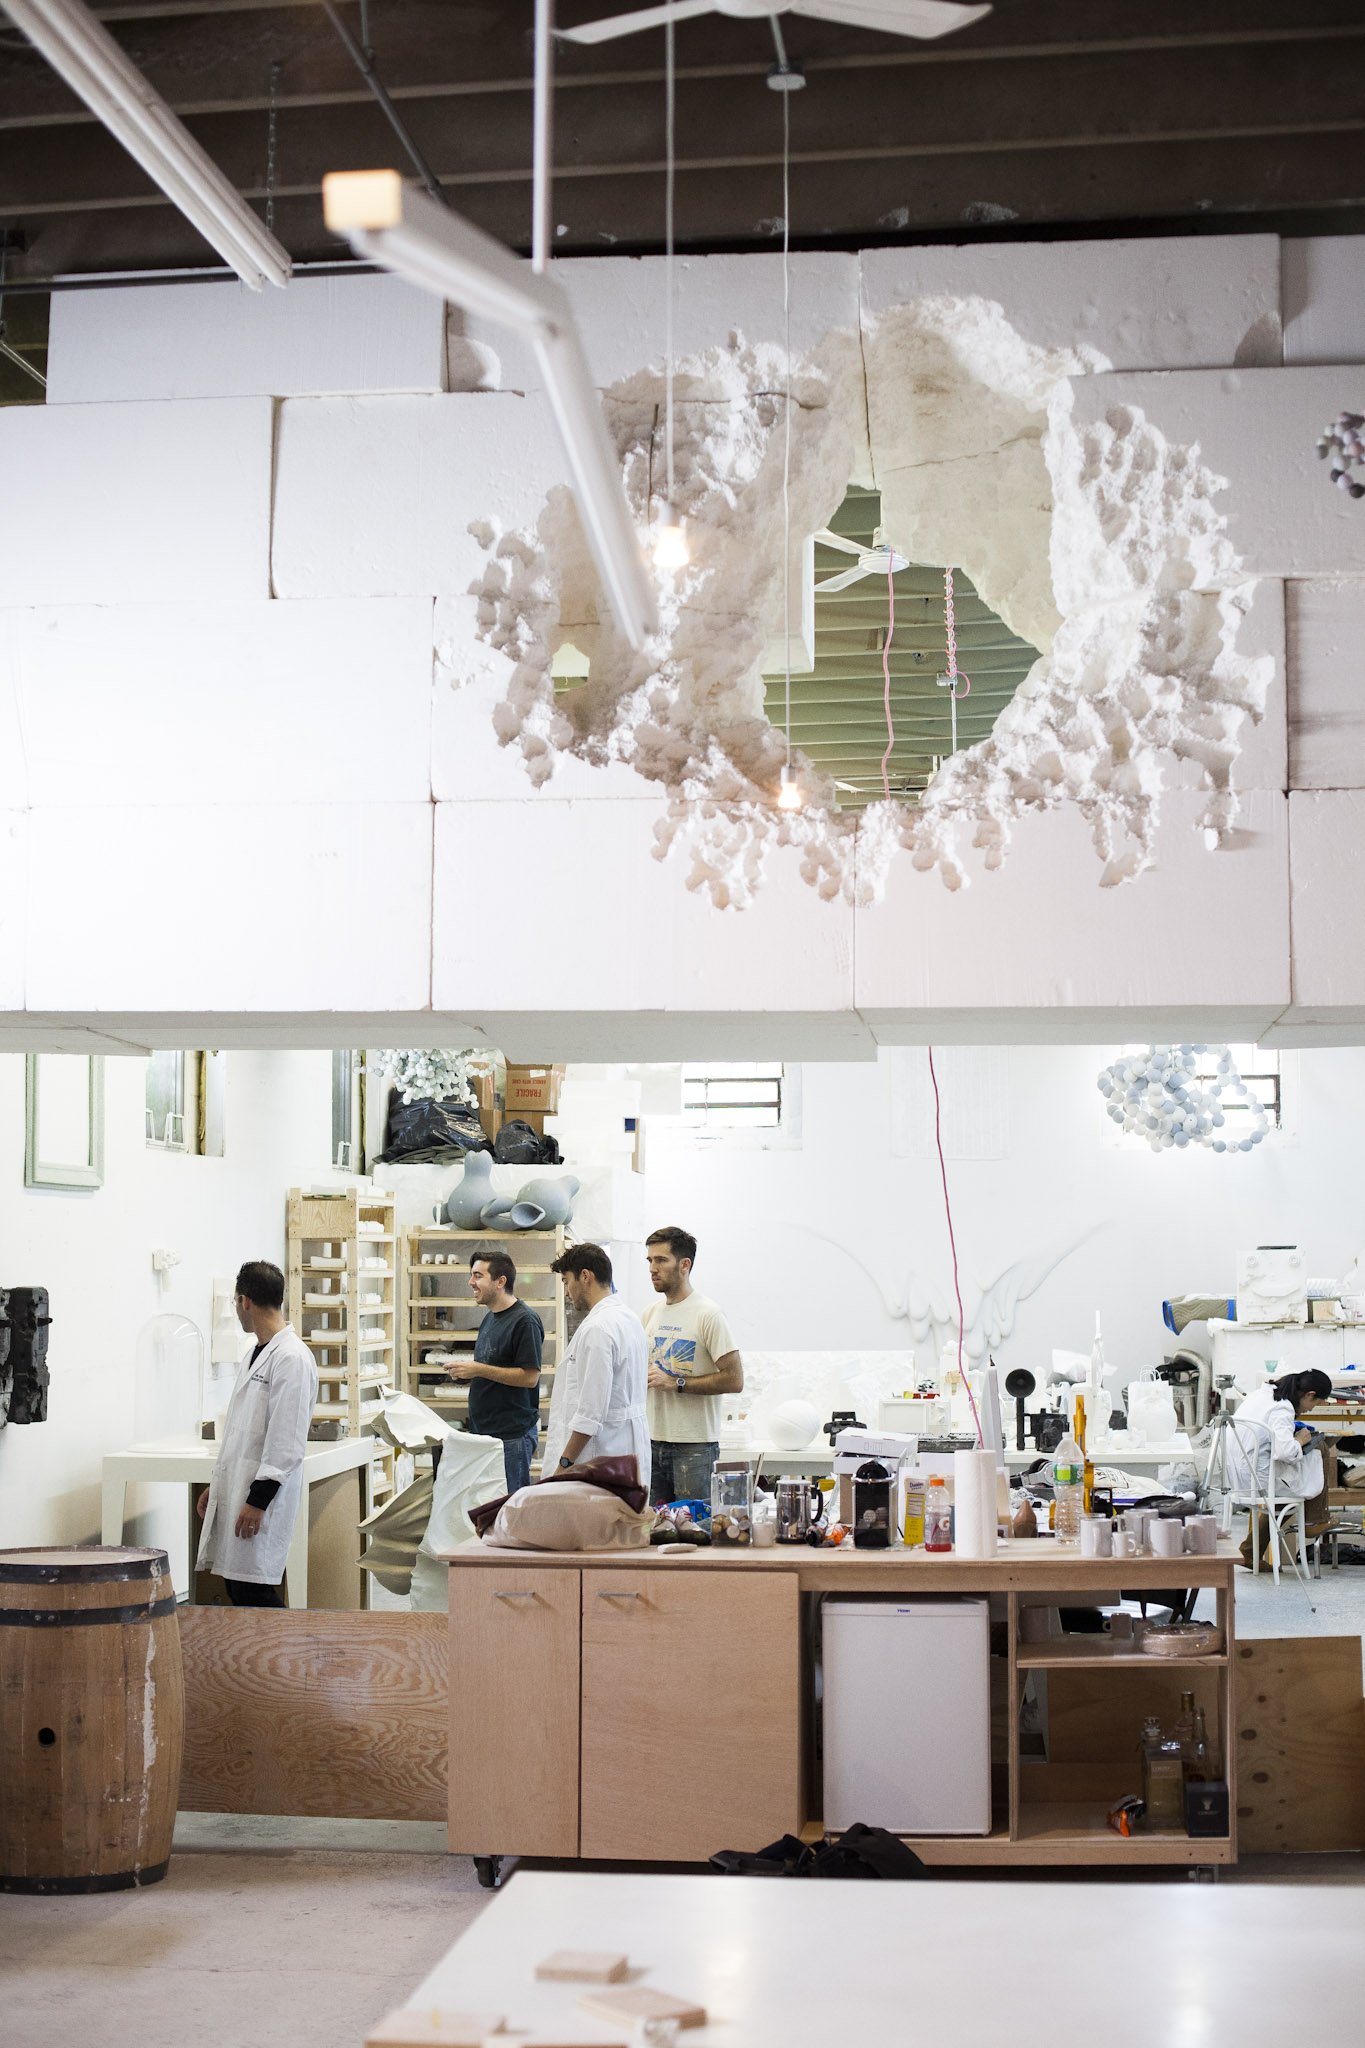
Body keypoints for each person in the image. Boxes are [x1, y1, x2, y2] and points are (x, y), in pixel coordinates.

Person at [196, 1260, 317, 1607]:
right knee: (239, 1587)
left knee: (254, 1590)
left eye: (236, 1303)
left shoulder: (291, 1357)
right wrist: (218, 1487)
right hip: (242, 1488)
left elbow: (286, 1440)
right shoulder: (255, 1352)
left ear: (244, 1301)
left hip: (263, 1498)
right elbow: (242, 1432)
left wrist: (258, 1500)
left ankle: (287, 1660)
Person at [643, 1225, 744, 1507]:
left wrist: (676, 1383)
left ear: (684, 1264)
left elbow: (734, 1380)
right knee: (654, 1531)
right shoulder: (650, 1313)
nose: (653, 1268)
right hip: (652, 1441)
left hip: (695, 1446)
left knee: (696, 1532)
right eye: (650, 1260)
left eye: (661, 1260)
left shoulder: (708, 1314)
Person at [542, 1242, 649, 1484]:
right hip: (623, 1451)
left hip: (599, 1457)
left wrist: (563, 1465)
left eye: (566, 1282)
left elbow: (590, 1414)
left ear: (585, 1276)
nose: (567, 1292)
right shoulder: (628, 1318)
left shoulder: (598, 1328)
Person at [445, 1250, 544, 1495]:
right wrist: (468, 1373)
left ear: (500, 1282)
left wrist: (478, 1369)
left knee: (510, 1513)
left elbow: (530, 1378)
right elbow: (494, 1369)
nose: (471, 1282)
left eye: (478, 1276)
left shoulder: (525, 1321)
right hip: (485, 1433)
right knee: (489, 1511)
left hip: (511, 1436)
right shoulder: (491, 1318)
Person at [1230, 1368, 1335, 1567]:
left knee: (1285, 1499)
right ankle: (1315, 1519)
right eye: (1316, 1403)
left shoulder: (1261, 1395)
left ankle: (1250, 1551)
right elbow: (1285, 1453)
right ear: (1309, 1394)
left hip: (1238, 1475)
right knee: (1319, 1446)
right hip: (1257, 1478)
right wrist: (1299, 1440)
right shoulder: (1283, 1408)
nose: (1312, 1409)